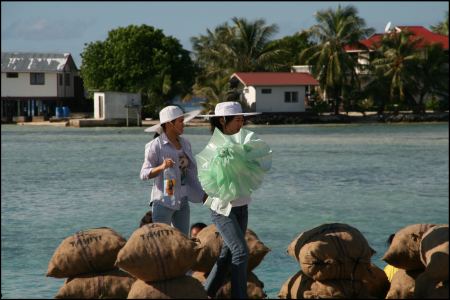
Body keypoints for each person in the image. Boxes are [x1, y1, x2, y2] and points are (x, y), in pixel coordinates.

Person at [195, 101, 272, 299]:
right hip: (222, 209)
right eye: (237, 119)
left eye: (242, 119)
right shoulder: (214, 148)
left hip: (241, 206)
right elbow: (207, 181)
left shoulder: (244, 142)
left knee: (227, 255)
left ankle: (206, 294)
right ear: (223, 120)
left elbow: (259, 162)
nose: (241, 123)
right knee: (241, 252)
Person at [140, 106, 207, 236]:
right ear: (170, 124)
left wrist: (202, 194)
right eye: (180, 121)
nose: (184, 124)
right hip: (164, 201)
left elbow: (190, 175)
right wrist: (162, 167)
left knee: (182, 242)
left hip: (183, 200)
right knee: (163, 242)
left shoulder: (186, 144)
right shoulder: (156, 145)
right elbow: (143, 174)